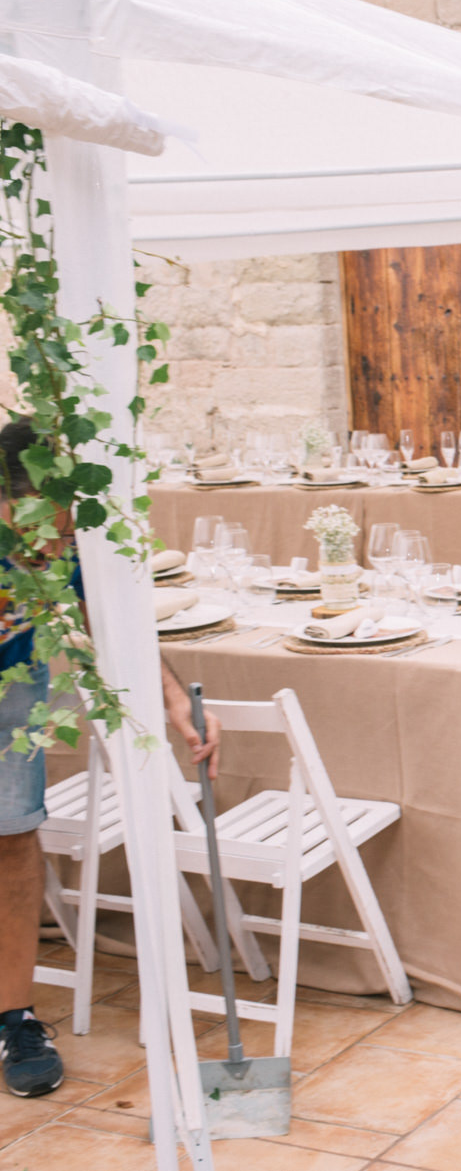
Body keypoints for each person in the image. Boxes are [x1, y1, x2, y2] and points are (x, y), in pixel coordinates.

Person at [0, 418, 221, 1098]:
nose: (55, 547)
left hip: (13, 694)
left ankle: (14, 1018)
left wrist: (176, 702)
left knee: (11, 838)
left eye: (66, 532)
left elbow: (114, 627)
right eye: (42, 529)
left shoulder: (70, 541)